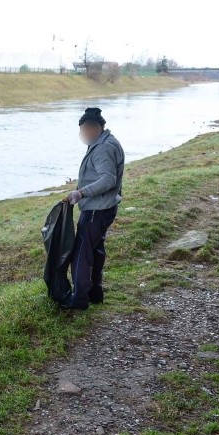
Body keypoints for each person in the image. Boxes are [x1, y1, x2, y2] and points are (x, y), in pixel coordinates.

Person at [61, 107, 124, 310]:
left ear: (96, 128)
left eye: (86, 130)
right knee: (96, 251)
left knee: (82, 255)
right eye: (81, 130)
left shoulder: (104, 147)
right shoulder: (103, 142)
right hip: (104, 208)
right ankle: (95, 294)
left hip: (96, 210)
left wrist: (80, 193)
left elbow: (108, 179)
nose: (83, 134)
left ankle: (79, 300)